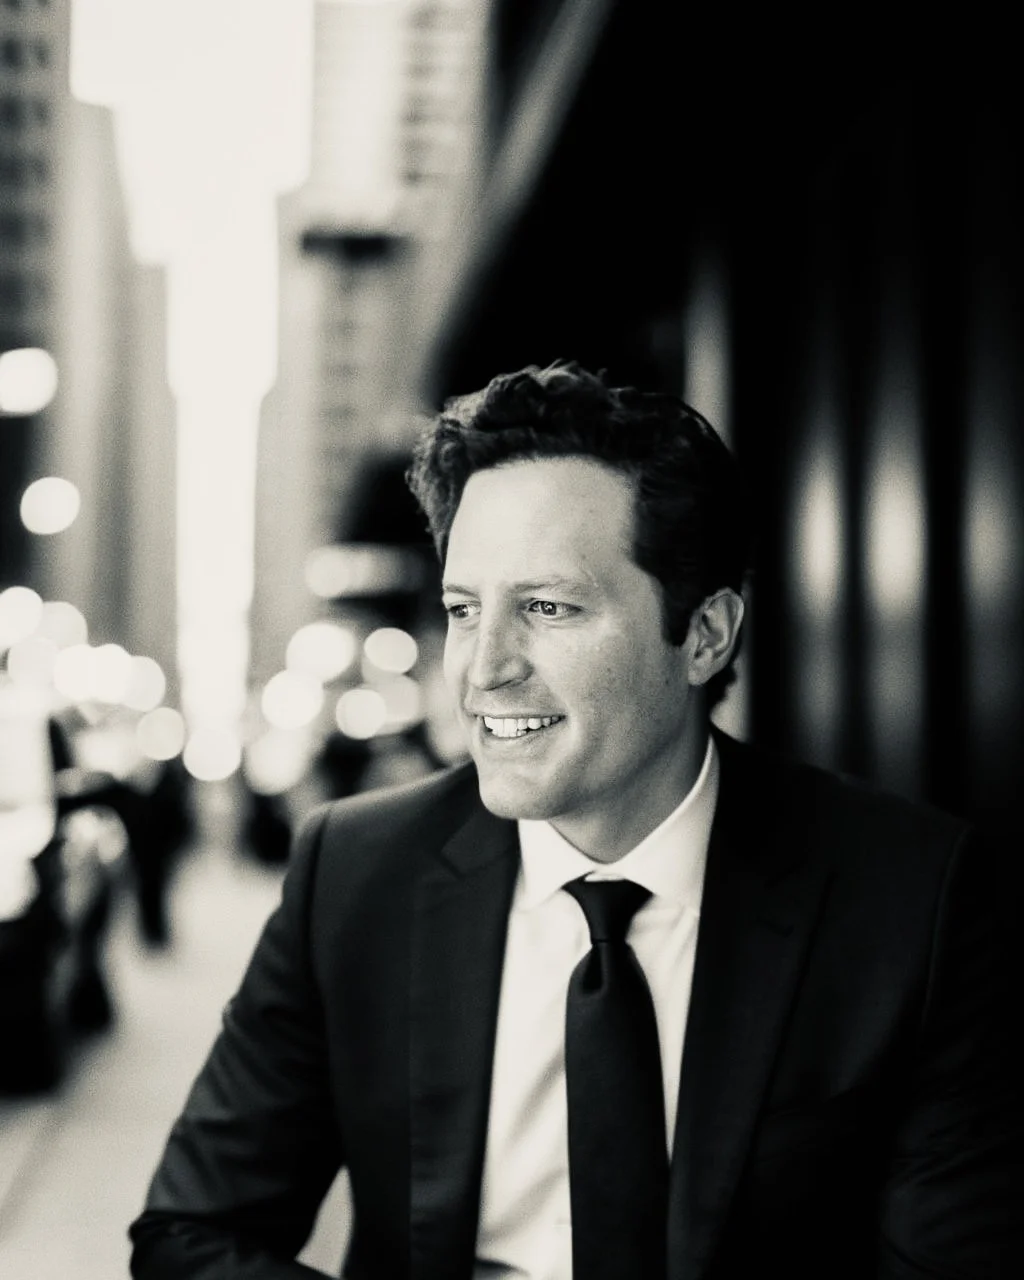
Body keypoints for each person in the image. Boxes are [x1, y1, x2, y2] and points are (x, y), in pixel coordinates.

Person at [129, 362, 1024, 1278]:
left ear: (704, 635)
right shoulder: (355, 871)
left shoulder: (912, 899)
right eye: (464, 610)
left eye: (547, 608)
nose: (485, 669)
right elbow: (191, 1234)